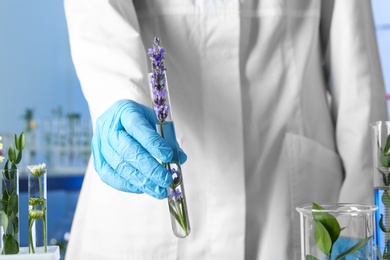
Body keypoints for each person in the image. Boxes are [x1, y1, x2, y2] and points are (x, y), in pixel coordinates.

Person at [64, 0, 388, 259]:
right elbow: (96, 17)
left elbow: (358, 79)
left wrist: (357, 220)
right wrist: (120, 98)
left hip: (285, 198)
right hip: (143, 219)